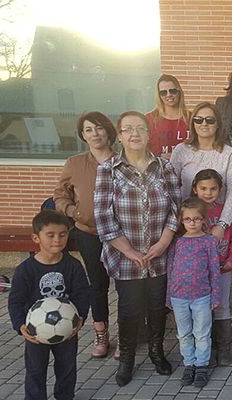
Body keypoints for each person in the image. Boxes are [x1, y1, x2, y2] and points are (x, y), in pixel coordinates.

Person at [94, 111, 181, 386]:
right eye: (128, 129)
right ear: (119, 136)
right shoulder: (108, 169)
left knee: (157, 307)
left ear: (148, 133)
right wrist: (129, 252)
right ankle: (127, 359)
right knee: (129, 310)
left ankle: (157, 352)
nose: (135, 134)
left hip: (159, 255)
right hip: (125, 258)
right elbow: (103, 216)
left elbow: (175, 208)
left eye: (140, 128)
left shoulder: (164, 167)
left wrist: (163, 243)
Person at [8, 210, 91, 400]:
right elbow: (15, 301)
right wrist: (20, 325)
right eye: (50, 235)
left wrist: (80, 317)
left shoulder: (73, 266)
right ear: (36, 238)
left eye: (62, 234)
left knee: (67, 367)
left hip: (67, 328)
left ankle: (65, 396)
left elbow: (82, 294)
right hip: (36, 332)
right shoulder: (25, 270)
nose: (57, 240)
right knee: (35, 369)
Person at [53, 111, 115, 358]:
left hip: (121, 235)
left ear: (108, 131)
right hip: (89, 233)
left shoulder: (123, 160)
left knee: (126, 287)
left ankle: (127, 335)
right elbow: (60, 195)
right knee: (97, 285)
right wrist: (73, 211)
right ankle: (101, 333)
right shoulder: (75, 163)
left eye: (99, 128)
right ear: (83, 135)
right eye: (89, 130)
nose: (95, 134)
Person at [166, 198, 221, 388]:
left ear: (204, 219)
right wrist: (169, 296)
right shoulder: (177, 243)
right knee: (184, 333)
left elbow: (214, 270)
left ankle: (202, 365)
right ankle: (189, 364)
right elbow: (171, 269)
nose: (192, 223)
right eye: (187, 219)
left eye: (196, 219)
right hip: (178, 297)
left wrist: (215, 295)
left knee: (202, 333)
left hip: (202, 296)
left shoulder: (209, 241)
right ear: (181, 221)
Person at [190, 169, 232, 367]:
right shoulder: (191, 214)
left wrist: (231, 261)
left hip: (222, 269)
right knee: (202, 308)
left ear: (220, 190)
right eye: (203, 188)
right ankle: (206, 348)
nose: (208, 193)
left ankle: (224, 347)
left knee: (222, 306)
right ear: (195, 189)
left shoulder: (225, 213)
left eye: (213, 189)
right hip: (200, 272)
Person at [170, 101, 232, 242]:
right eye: (198, 120)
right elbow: (171, 187)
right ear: (193, 123)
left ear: (218, 124)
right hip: (187, 224)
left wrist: (222, 224)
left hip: (217, 222)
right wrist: (177, 221)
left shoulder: (228, 153)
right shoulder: (181, 150)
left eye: (210, 120)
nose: (204, 124)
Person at [146, 74, 191, 158]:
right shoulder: (148, 119)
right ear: (159, 95)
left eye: (172, 91)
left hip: (187, 165)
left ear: (179, 92)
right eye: (163, 92)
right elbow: (140, 150)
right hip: (158, 165)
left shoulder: (192, 118)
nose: (169, 95)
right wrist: (159, 156)